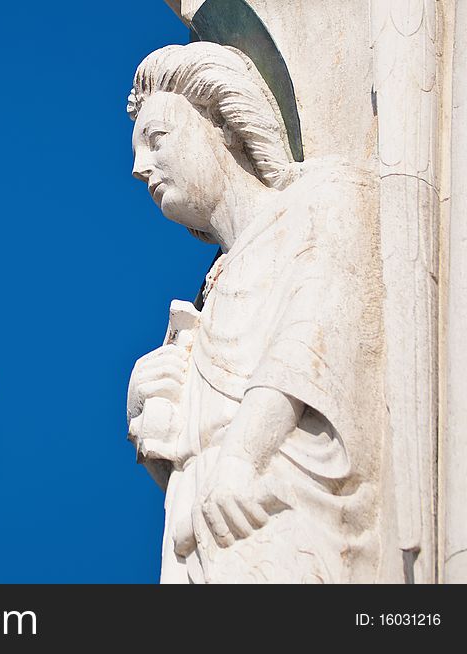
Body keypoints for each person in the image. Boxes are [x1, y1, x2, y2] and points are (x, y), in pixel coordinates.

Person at [125, 42, 398, 583]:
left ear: (220, 121)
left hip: (286, 516)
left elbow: (308, 344)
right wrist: (149, 405)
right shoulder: (209, 294)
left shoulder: (322, 201)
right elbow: (188, 444)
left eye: (157, 140)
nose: (140, 168)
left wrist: (241, 456)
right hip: (202, 539)